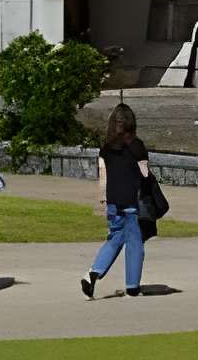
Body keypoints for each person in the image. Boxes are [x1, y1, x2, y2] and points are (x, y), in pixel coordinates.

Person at [81, 101, 153, 301]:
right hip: (133, 200)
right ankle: (132, 286)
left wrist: (102, 201)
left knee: (114, 238)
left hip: (113, 201)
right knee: (135, 243)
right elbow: (145, 174)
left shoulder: (106, 148)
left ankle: (93, 273)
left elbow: (103, 176)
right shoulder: (137, 146)